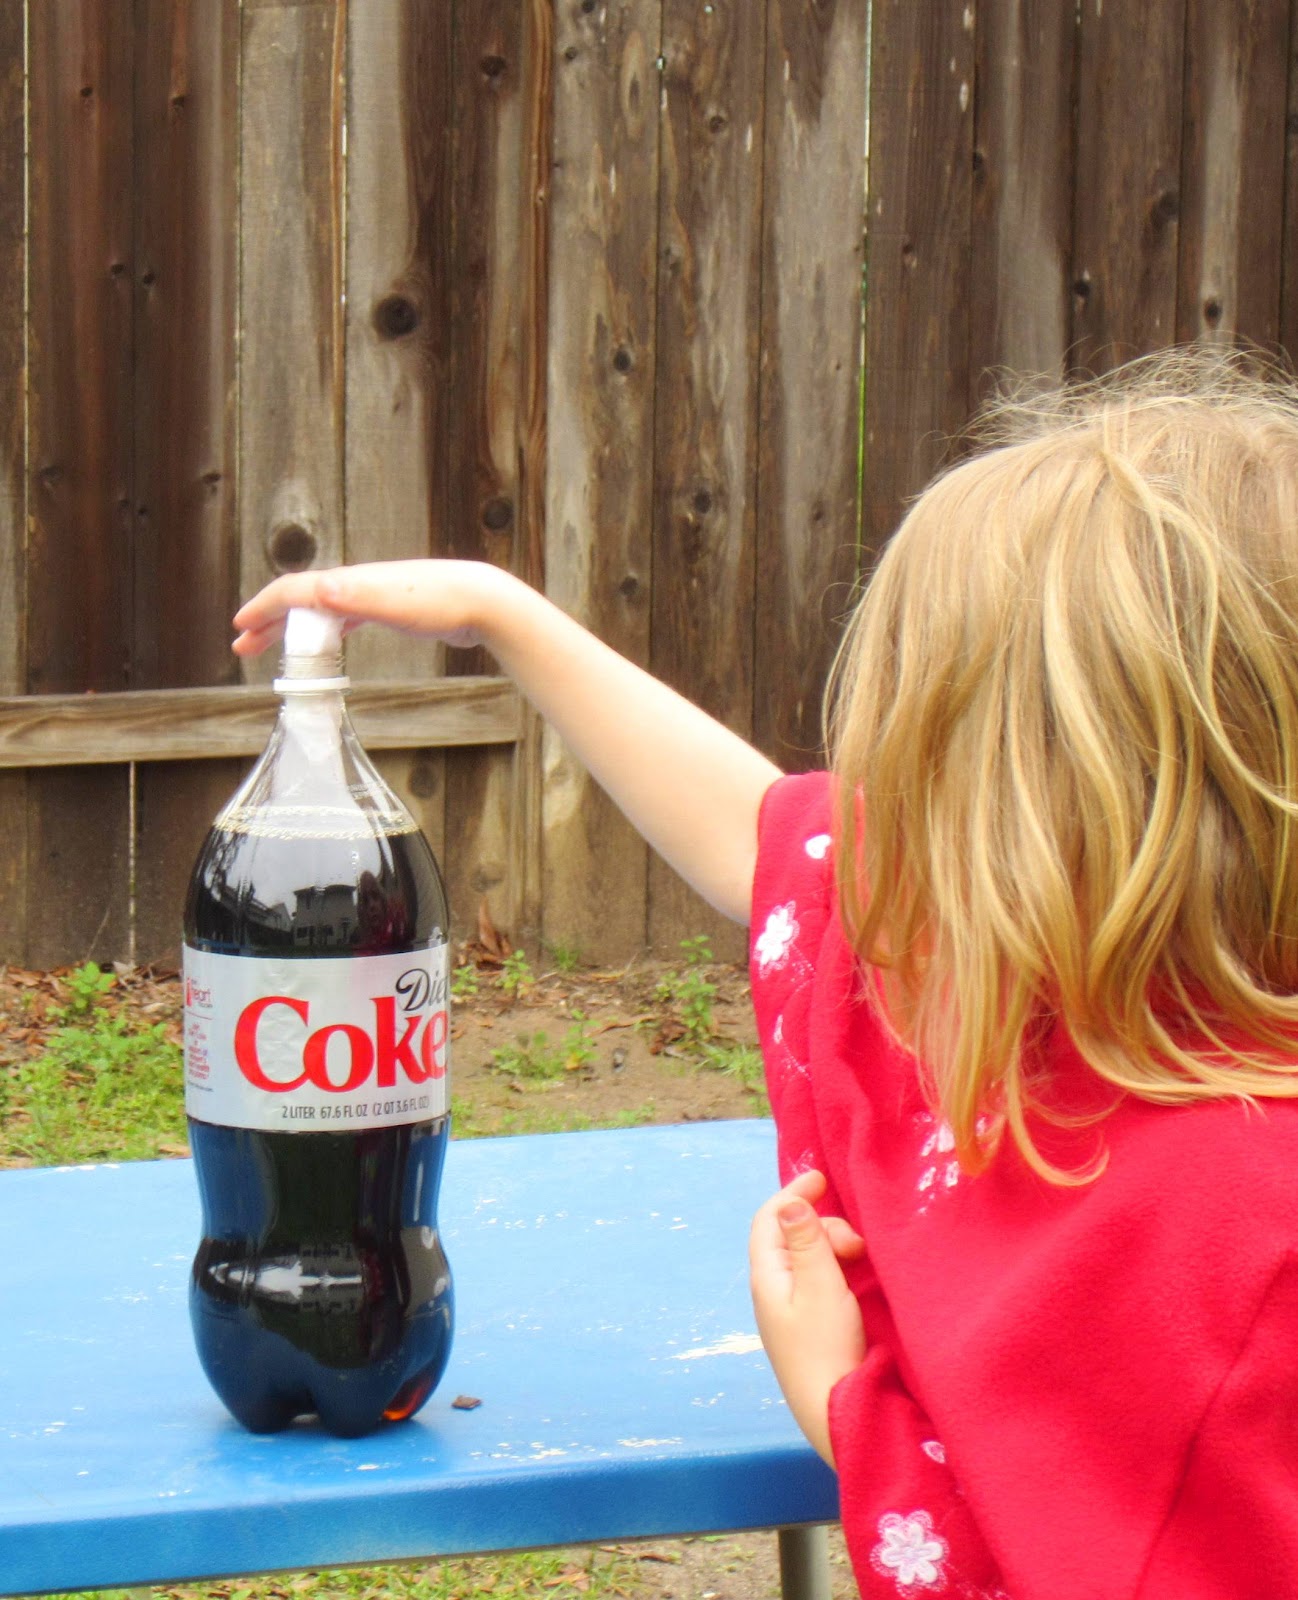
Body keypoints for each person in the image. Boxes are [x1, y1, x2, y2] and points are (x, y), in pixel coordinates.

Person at [232, 347, 1298, 1598]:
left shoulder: (1241, 1246)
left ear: (1088, 827)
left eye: (933, 769)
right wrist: (500, 615)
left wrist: (847, 1407)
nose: (888, 823)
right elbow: (770, 842)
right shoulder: (1066, 998)